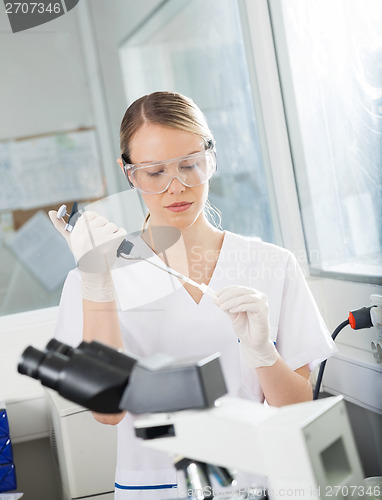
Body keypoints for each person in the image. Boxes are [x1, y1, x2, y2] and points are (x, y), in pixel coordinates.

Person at [49, 91, 337, 499]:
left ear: (211, 158)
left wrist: (264, 356)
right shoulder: (92, 275)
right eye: (155, 172)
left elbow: (296, 410)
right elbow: (107, 413)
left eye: (189, 165)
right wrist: (99, 285)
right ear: (128, 173)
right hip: (153, 487)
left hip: (255, 483)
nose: (177, 187)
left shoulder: (270, 264)